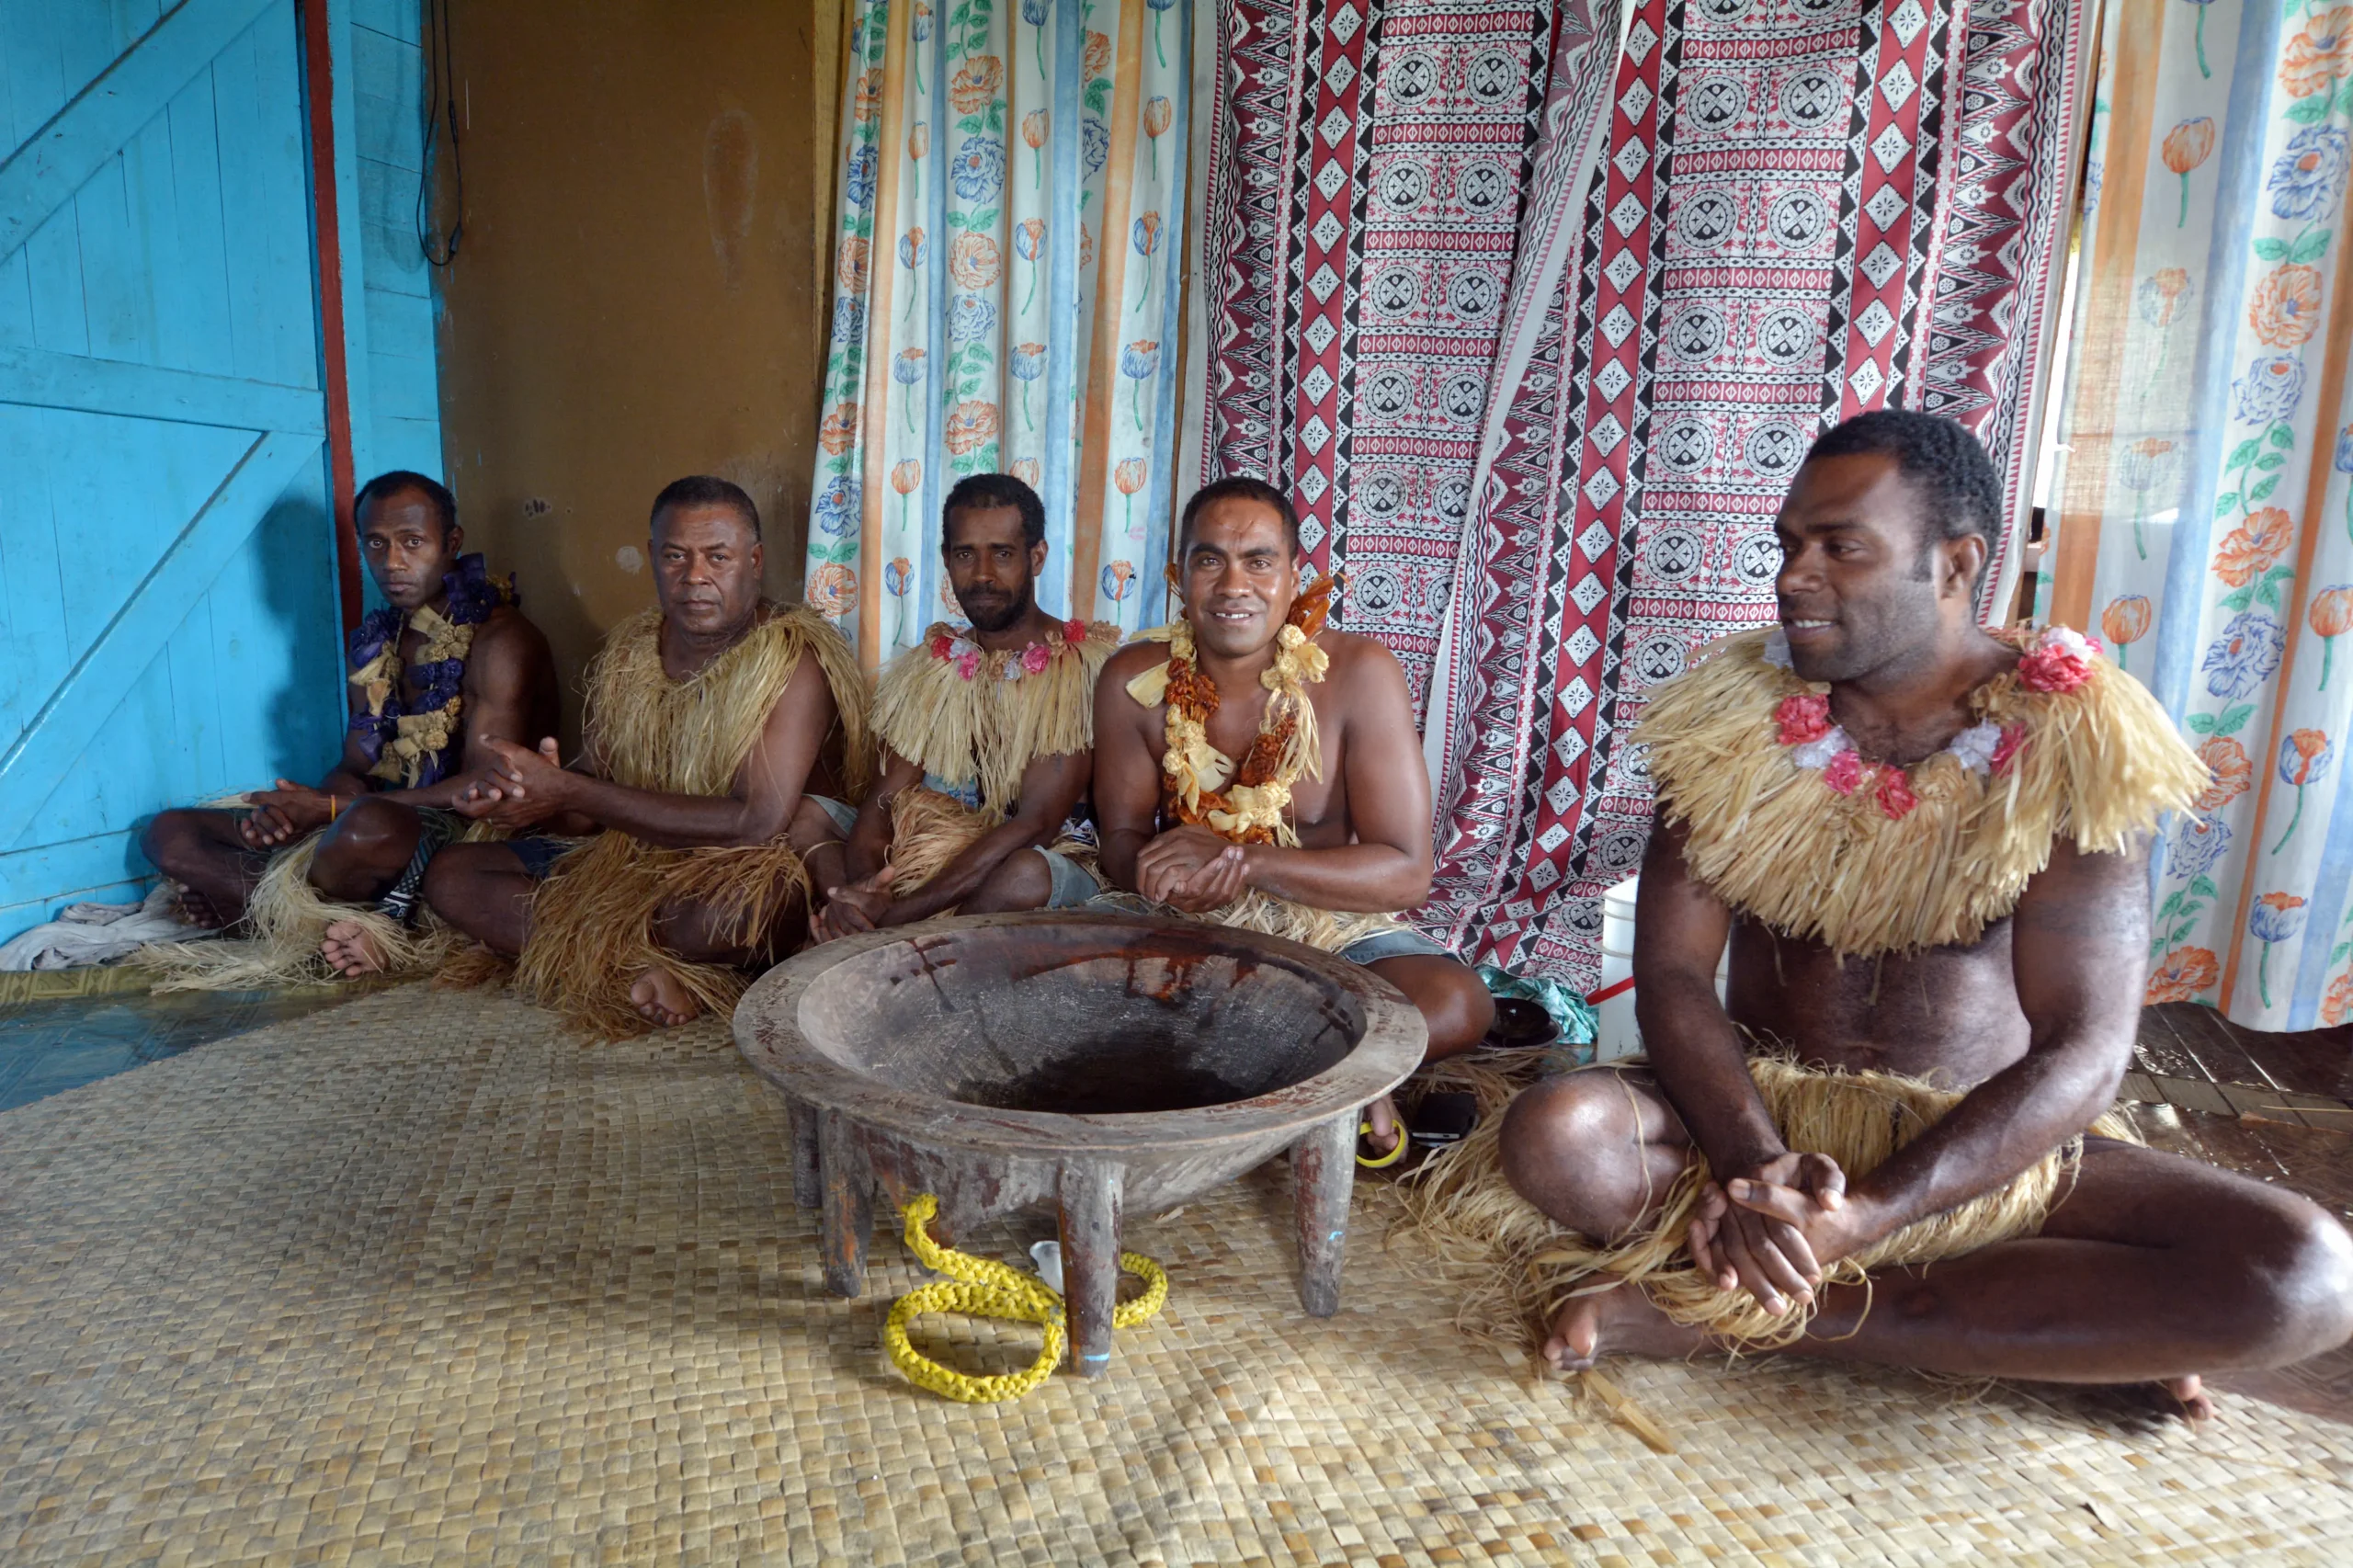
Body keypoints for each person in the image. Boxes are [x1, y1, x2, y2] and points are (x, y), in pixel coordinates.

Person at [1428, 410, 2352, 1419]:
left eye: (1840, 547)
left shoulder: (2071, 743)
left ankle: (1720, 1314)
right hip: (1757, 1131)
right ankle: (2020, 1328)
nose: (1791, 574)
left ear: (1955, 564)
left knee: (2306, 1276)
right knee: (1560, 1133)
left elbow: (2085, 1047)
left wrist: (1866, 1214)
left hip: (1978, 1157)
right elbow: (1675, 976)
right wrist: (1753, 1167)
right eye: (1789, 544)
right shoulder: (1725, 722)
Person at [1092, 476, 1495, 1149]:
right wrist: (1162, 874)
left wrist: (1246, 864)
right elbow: (1119, 842)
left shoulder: (1359, 672)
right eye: (1209, 559)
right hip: (1186, 924)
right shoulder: (1135, 680)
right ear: (1178, 575)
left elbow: (1405, 873)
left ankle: (1284, 1064)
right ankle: (1332, 1071)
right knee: (1051, 977)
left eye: (1259, 561)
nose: (1233, 585)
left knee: (1457, 1004)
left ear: (1293, 577)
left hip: (1330, 927)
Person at [422, 476, 870, 1034]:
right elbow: (588, 805)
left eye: (718, 556)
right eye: (676, 556)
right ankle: (649, 968)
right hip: (628, 863)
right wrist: (531, 799)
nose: (696, 576)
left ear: (754, 560)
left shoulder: (791, 660)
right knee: (452, 877)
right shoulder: (632, 649)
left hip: (740, 869)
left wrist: (570, 791)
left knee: (739, 914)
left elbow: (756, 823)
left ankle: (655, 962)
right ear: (654, 558)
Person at [140, 471, 558, 981]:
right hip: (373, 819)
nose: (392, 563)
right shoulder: (380, 637)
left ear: (452, 543)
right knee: (170, 833)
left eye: (413, 542)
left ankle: (252, 907)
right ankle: (310, 926)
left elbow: (482, 788)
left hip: (462, 837)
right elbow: (353, 766)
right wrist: (300, 814)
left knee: (364, 830)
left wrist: (331, 809)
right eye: (376, 544)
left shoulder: (501, 642)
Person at [810, 474, 1119, 941]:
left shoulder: (1076, 668)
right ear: (946, 559)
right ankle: (853, 922)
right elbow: (882, 803)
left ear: (1036, 557)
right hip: (921, 867)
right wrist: (867, 888)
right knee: (808, 816)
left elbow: (1035, 823)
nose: (982, 575)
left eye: (1002, 553)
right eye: (965, 554)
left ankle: (913, 952)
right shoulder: (933, 667)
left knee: (1023, 875)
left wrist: (898, 914)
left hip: (1041, 866)